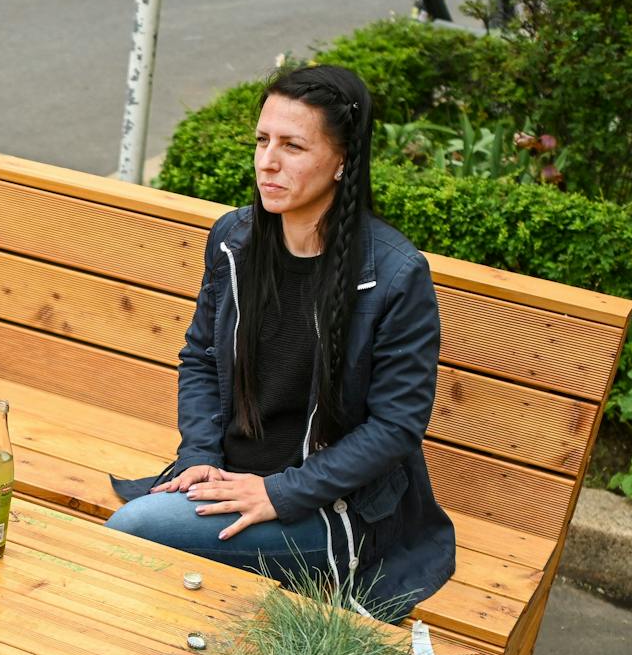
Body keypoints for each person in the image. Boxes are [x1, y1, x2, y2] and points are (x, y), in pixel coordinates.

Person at [107, 64, 455, 620]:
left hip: (328, 506)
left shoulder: (393, 275)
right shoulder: (235, 239)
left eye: (293, 146)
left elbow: (395, 427)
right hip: (228, 477)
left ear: (342, 161)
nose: (268, 161)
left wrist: (279, 493)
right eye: (262, 140)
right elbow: (201, 358)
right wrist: (199, 455)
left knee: (132, 531)